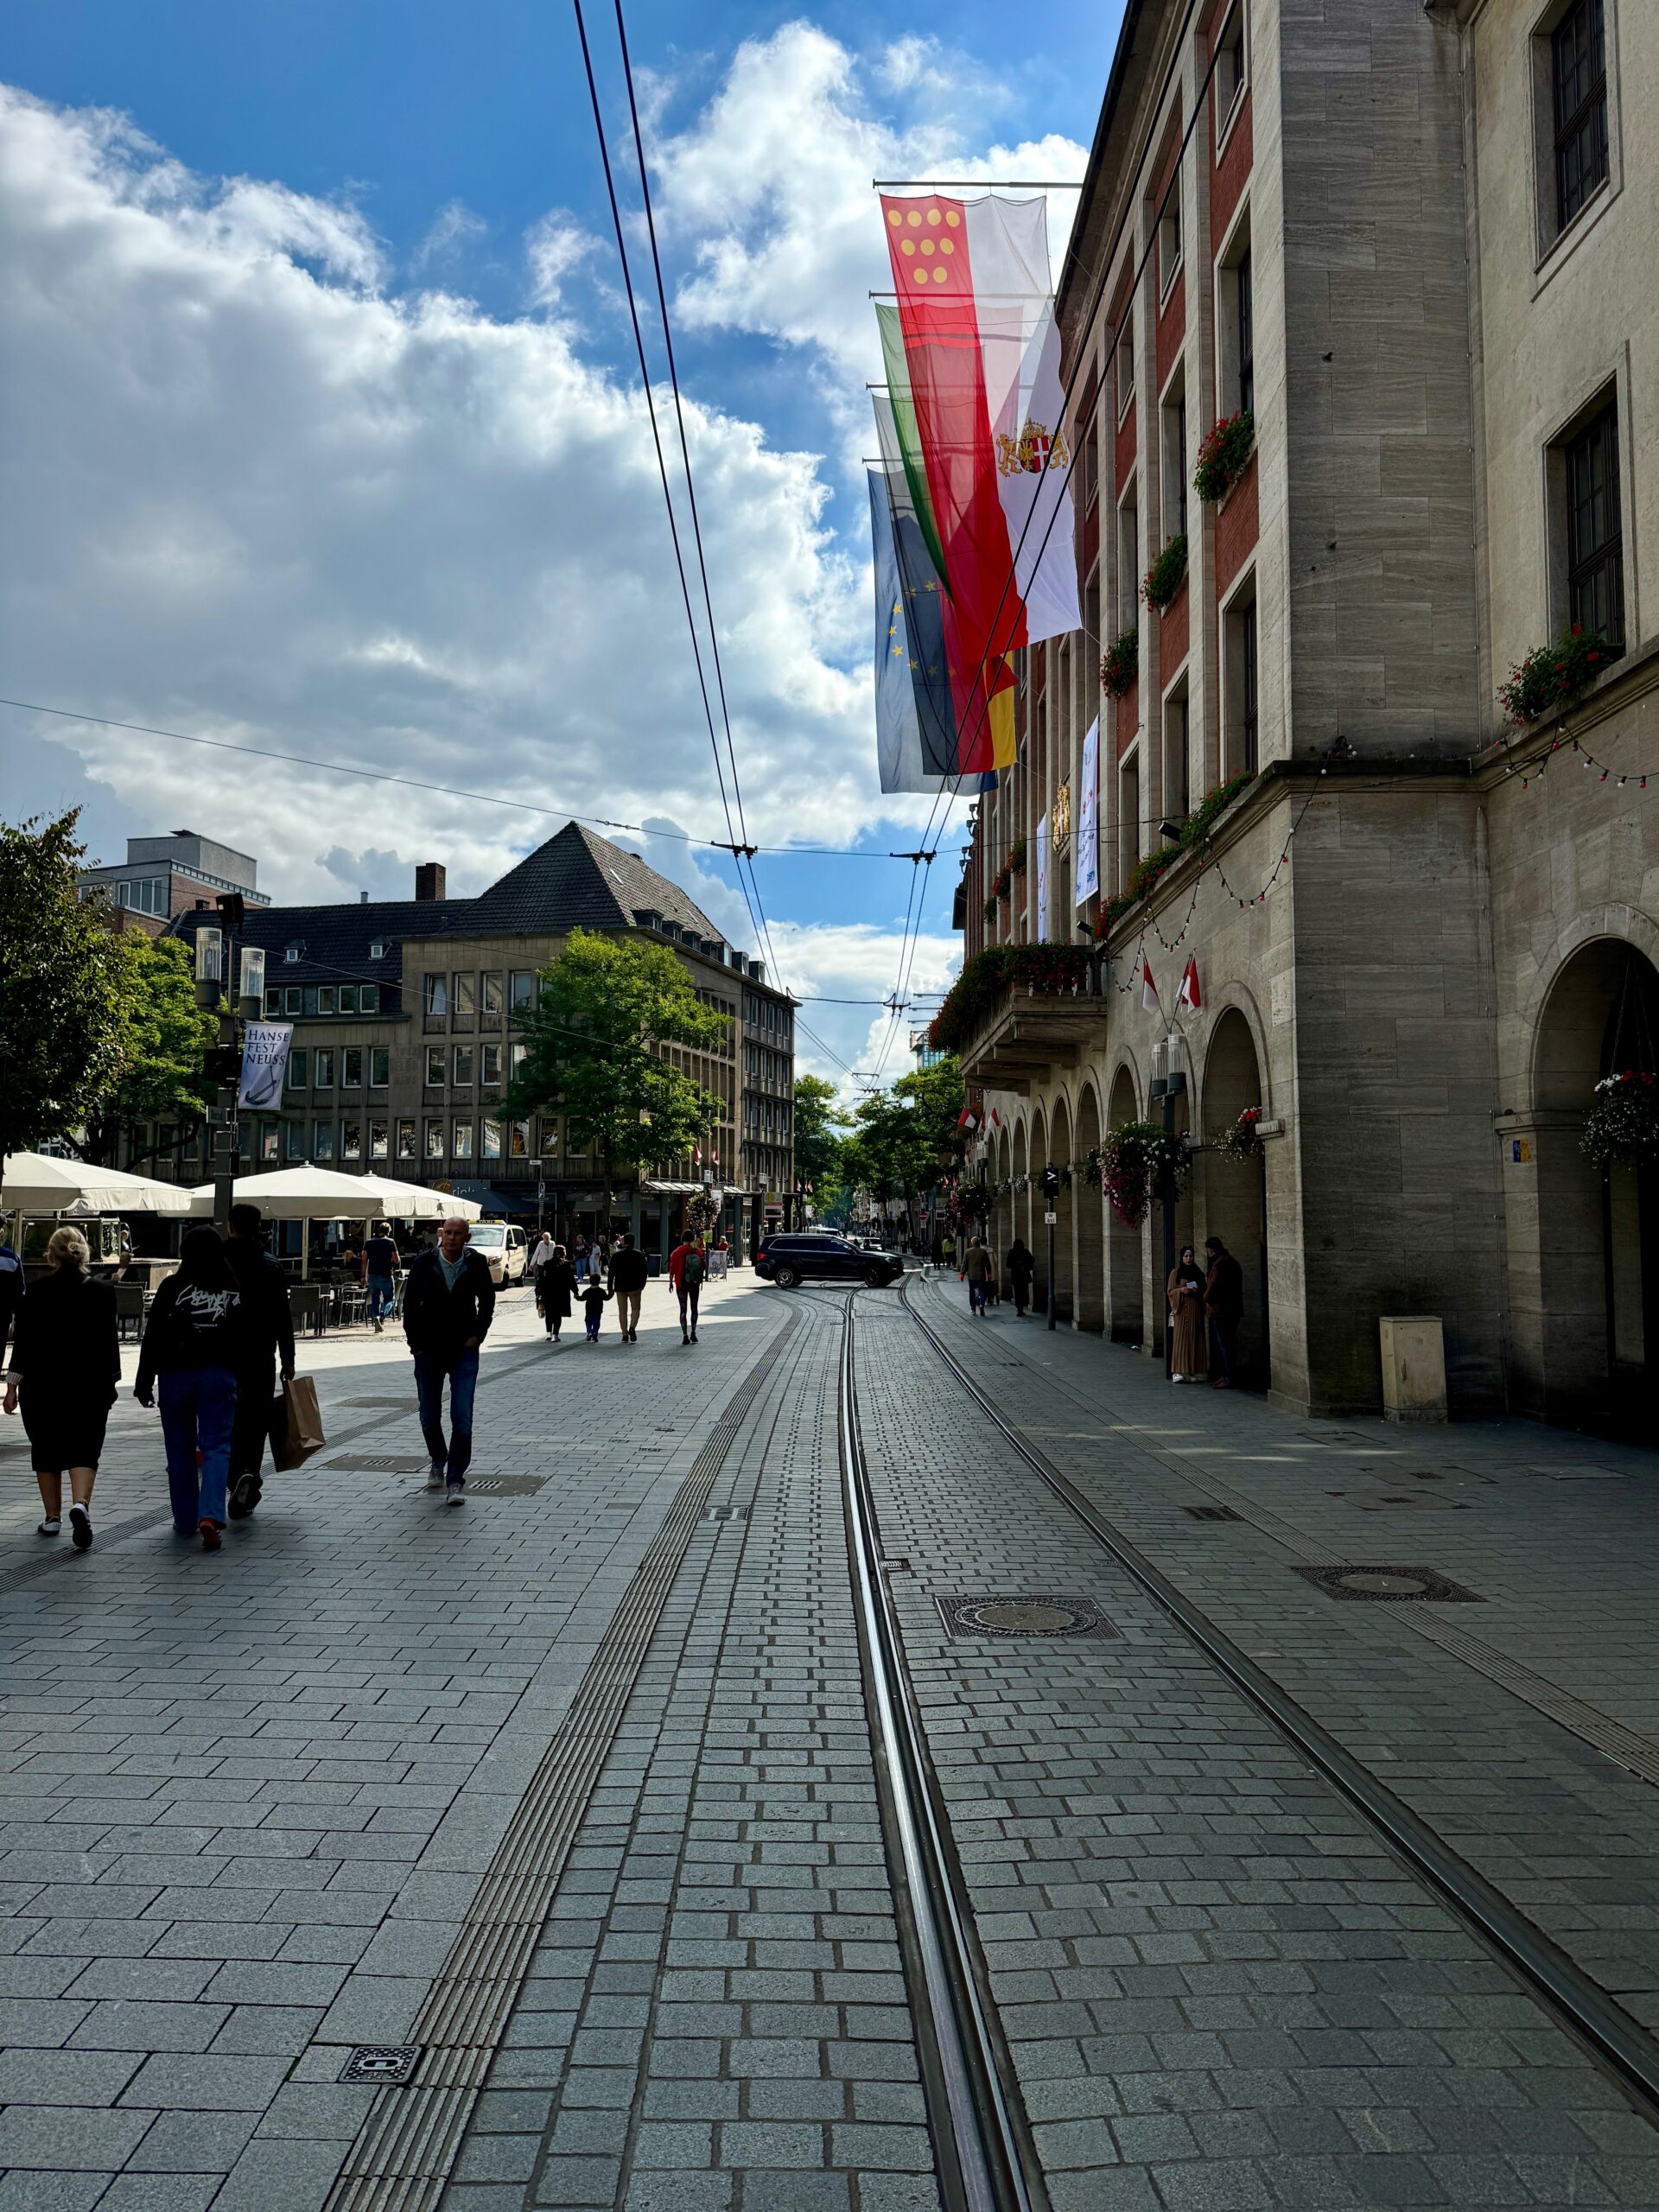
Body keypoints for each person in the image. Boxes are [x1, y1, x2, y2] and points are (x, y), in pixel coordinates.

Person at [3, 1225, 118, 1548]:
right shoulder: (102, 1292)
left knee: (46, 1449)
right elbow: (109, 1345)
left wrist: (12, 1387)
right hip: (89, 1386)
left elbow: (22, 1344)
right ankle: (80, 1505)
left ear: (50, 1255)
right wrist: (111, 1382)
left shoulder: (36, 1292)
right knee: (85, 1448)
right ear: (84, 1252)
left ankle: (52, 1518)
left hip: (43, 1387)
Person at [135, 1225, 247, 1550]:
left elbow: (153, 1335)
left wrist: (144, 1380)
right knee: (216, 1447)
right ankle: (210, 1515)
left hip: (176, 1375)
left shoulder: (171, 1286)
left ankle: (185, 1518)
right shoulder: (232, 1286)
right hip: (219, 1374)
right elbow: (245, 1336)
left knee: (179, 1449)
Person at [402, 1216, 496, 1503]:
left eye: (458, 1234)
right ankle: (438, 1457)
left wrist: (478, 1334)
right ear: (442, 1234)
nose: (452, 1238)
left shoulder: (476, 1262)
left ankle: (456, 1480)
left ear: (467, 1237)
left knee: (462, 1419)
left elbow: (488, 1300)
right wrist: (415, 1343)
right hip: (429, 1350)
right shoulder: (424, 1262)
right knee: (429, 1418)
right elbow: (409, 1305)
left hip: (464, 1349)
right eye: (449, 1233)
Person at [225, 1203, 296, 1520]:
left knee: (224, 1423)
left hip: (222, 1356)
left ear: (230, 1226)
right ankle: (249, 1475)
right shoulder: (271, 1266)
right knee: (256, 1424)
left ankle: (232, 1478)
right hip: (260, 1357)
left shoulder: (217, 1262)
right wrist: (289, 1358)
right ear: (259, 1227)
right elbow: (283, 1317)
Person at [1204, 1235, 1245, 1388]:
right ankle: (1227, 1375)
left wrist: (1204, 1297)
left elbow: (1213, 1287)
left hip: (1221, 1310)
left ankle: (1228, 1376)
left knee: (1225, 1344)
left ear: (1211, 1251)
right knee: (1228, 1343)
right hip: (1232, 1309)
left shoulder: (1220, 1264)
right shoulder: (1231, 1261)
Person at [1166, 1243, 1206, 1383]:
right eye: (1186, 1256)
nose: (1189, 1259)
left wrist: (1197, 1290)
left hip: (1195, 1309)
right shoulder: (1175, 1273)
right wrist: (1181, 1291)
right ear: (1182, 1257)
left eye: (1191, 1256)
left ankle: (1195, 1370)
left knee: (1195, 1338)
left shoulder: (1198, 1272)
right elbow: (1170, 1291)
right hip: (1182, 1310)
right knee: (1181, 1340)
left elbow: (1204, 1289)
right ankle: (1179, 1370)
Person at [361, 1220, 401, 1334]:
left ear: (378, 1230)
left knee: (375, 1298)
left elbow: (364, 1260)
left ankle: (376, 1318)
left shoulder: (369, 1242)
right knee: (390, 1298)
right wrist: (397, 1259)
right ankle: (382, 1315)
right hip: (386, 1274)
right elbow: (396, 1259)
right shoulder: (390, 1242)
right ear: (389, 1231)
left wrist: (363, 1276)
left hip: (372, 1275)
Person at [608, 1233, 648, 1343]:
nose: (620, 1242)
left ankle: (624, 1334)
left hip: (620, 1286)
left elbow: (611, 1273)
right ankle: (632, 1327)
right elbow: (645, 1272)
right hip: (635, 1286)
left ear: (625, 1242)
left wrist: (610, 1287)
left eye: (622, 1240)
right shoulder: (639, 1255)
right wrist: (642, 1285)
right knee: (636, 1308)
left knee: (622, 1311)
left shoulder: (617, 1256)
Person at [668, 1232, 705, 1344]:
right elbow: (703, 1265)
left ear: (682, 1238)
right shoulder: (697, 1251)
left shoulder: (676, 1252)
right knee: (694, 1307)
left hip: (681, 1284)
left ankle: (685, 1336)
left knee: (683, 1310)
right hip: (693, 1283)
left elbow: (672, 1269)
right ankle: (693, 1333)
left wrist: (670, 1282)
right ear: (692, 1239)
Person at [963, 1235, 994, 1318]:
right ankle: (981, 1305)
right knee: (982, 1291)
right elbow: (988, 1264)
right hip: (981, 1275)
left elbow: (964, 1264)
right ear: (979, 1243)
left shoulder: (967, 1252)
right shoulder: (983, 1252)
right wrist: (989, 1274)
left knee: (972, 1291)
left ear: (972, 1243)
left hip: (971, 1275)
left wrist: (962, 1274)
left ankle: (973, 1309)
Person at [1007, 1236, 1035, 1319]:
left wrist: (1015, 1264)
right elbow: (1032, 1260)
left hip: (1015, 1276)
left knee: (1017, 1293)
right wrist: (1024, 1264)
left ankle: (1019, 1309)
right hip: (1024, 1276)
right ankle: (1021, 1308)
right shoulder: (1025, 1252)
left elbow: (1008, 1264)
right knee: (1023, 1292)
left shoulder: (1012, 1252)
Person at [580, 1273, 612, 1343]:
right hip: (598, 1309)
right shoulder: (601, 1291)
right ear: (599, 1281)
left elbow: (582, 1298)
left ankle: (589, 1331)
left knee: (588, 1321)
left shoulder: (587, 1291)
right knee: (596, 1322)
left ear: (590, 1281)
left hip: (589, 1309)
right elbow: (606, 1298)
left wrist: (576, 1296)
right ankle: (595, 1334)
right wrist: (611, 1294)